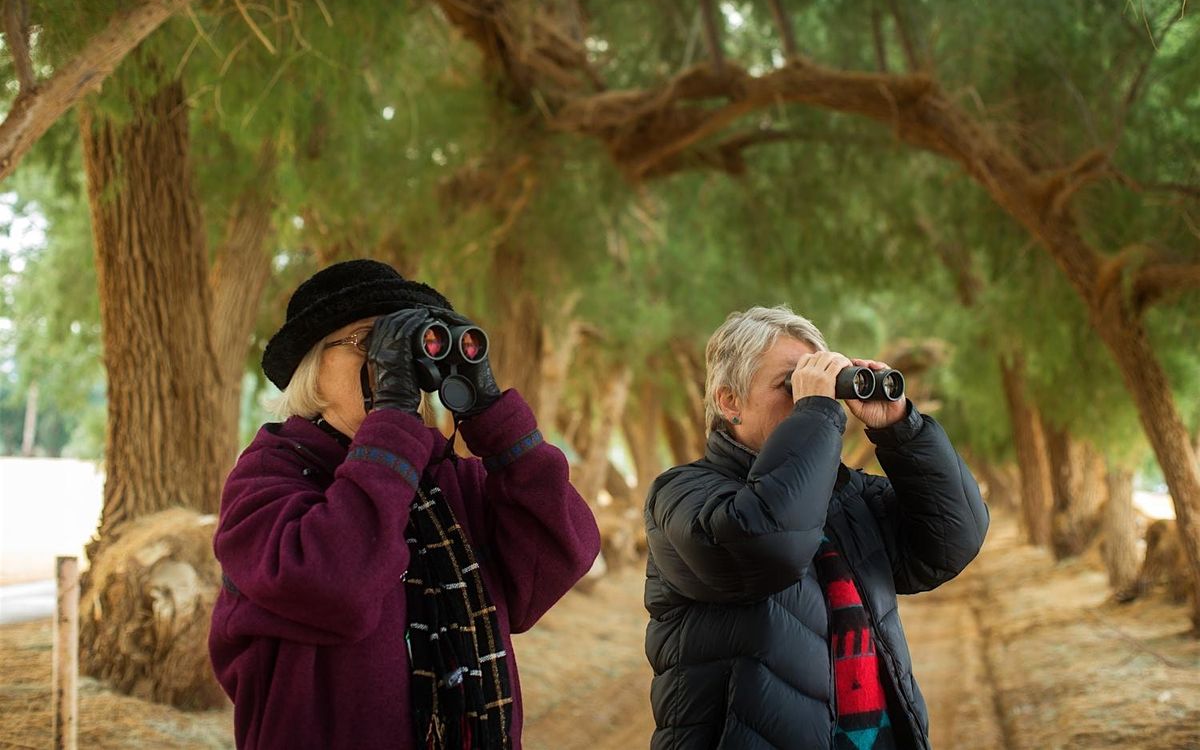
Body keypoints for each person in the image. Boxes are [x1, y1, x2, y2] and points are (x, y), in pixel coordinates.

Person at [208, 259, 600, 750]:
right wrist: (391, 416)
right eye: (368, 344)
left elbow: (561, 554)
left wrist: (492, 416)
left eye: (402, 348)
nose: (392, 365)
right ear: (313, 370)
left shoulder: (443, 479)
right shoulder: (269, 476)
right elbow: (337, 586)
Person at [643, 306, 989, 750]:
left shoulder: (845, 494)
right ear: (729, 401)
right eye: (792, 384)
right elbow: (770, 542)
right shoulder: (680, 495)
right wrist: (818, 412)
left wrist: (902, 429)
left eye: (818, 380)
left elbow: (951, 540)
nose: (812, 397)